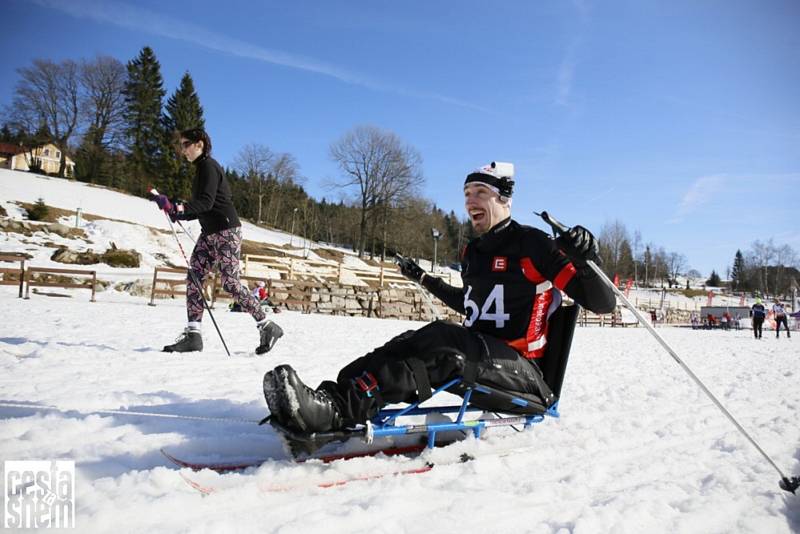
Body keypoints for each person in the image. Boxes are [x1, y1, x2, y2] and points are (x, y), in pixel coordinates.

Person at [262, 161, 615, 435]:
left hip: (523, 372)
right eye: (466, 194)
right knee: (412, 340)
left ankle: (340, 410)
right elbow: (471, 305)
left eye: (479, 192)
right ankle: (330, 397)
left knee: (445, 347)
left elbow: (603, 304)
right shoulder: (473, 252)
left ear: (503, 197)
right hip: (484, 352)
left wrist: (588, 259)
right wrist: (423, 278)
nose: (469, 201)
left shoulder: (534, 244)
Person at [152, 127, 284, 354]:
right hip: (209, 232)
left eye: (185, 144)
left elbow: (205, 202)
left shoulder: (208, 167)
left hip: (226, 231)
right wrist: (177, 212)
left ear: (199, 144)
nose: (182, 150)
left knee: (229, 282)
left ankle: (267, 325)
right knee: (194, 276)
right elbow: (201, 209)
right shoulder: (200, 170)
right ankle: (194, 335)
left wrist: (177, 207)